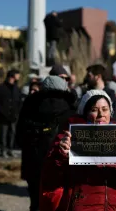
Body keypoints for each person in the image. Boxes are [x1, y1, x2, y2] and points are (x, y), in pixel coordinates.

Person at [40, 90, 116, 211]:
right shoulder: (67, 138)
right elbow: (49, 177)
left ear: (110, 112)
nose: (101, 114)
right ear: (85, 113)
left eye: (105, 109)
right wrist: (61, 155)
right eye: (94, 110)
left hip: (111, 207)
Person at [17, 76, 76, 211]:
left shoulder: (30, 104)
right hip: (60, 162)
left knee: (36, 200)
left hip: (34, 160)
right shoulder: (71, 107)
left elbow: (20, 134)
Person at [0, 69, 22, 157]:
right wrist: (2, 111)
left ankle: (10, 150)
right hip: (3, 116)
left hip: (13, 116)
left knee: (12, 134)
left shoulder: (16, 88)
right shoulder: (1, 87)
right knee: (4, 134)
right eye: (17, 75)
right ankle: (3, 150)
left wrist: (17, 112)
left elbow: (19, 102)